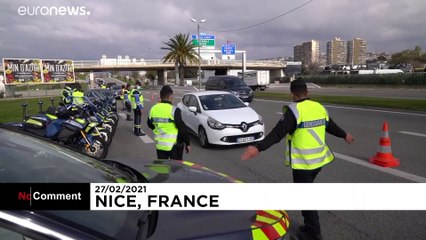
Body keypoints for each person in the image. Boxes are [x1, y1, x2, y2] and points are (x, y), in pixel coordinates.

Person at [241, 79, 354, 240]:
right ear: (307, 92)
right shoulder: (319, 107)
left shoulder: (294, 112)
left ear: (292, 94)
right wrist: (345, 135)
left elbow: (277, 134)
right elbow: (331, 126)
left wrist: (257, 148)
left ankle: (314, 233)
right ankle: (309, 226)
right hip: (319, 162)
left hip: (304, 164)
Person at [147, 85, 190, 160]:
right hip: (174, 145)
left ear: (161, 96)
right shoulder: (174, 110)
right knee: (176, 169)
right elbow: (182, 128)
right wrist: (187, 143)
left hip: (160, 145)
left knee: (163, 169)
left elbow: (150, 124)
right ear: (170, 96)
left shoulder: (153, 109)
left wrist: (158, 128)